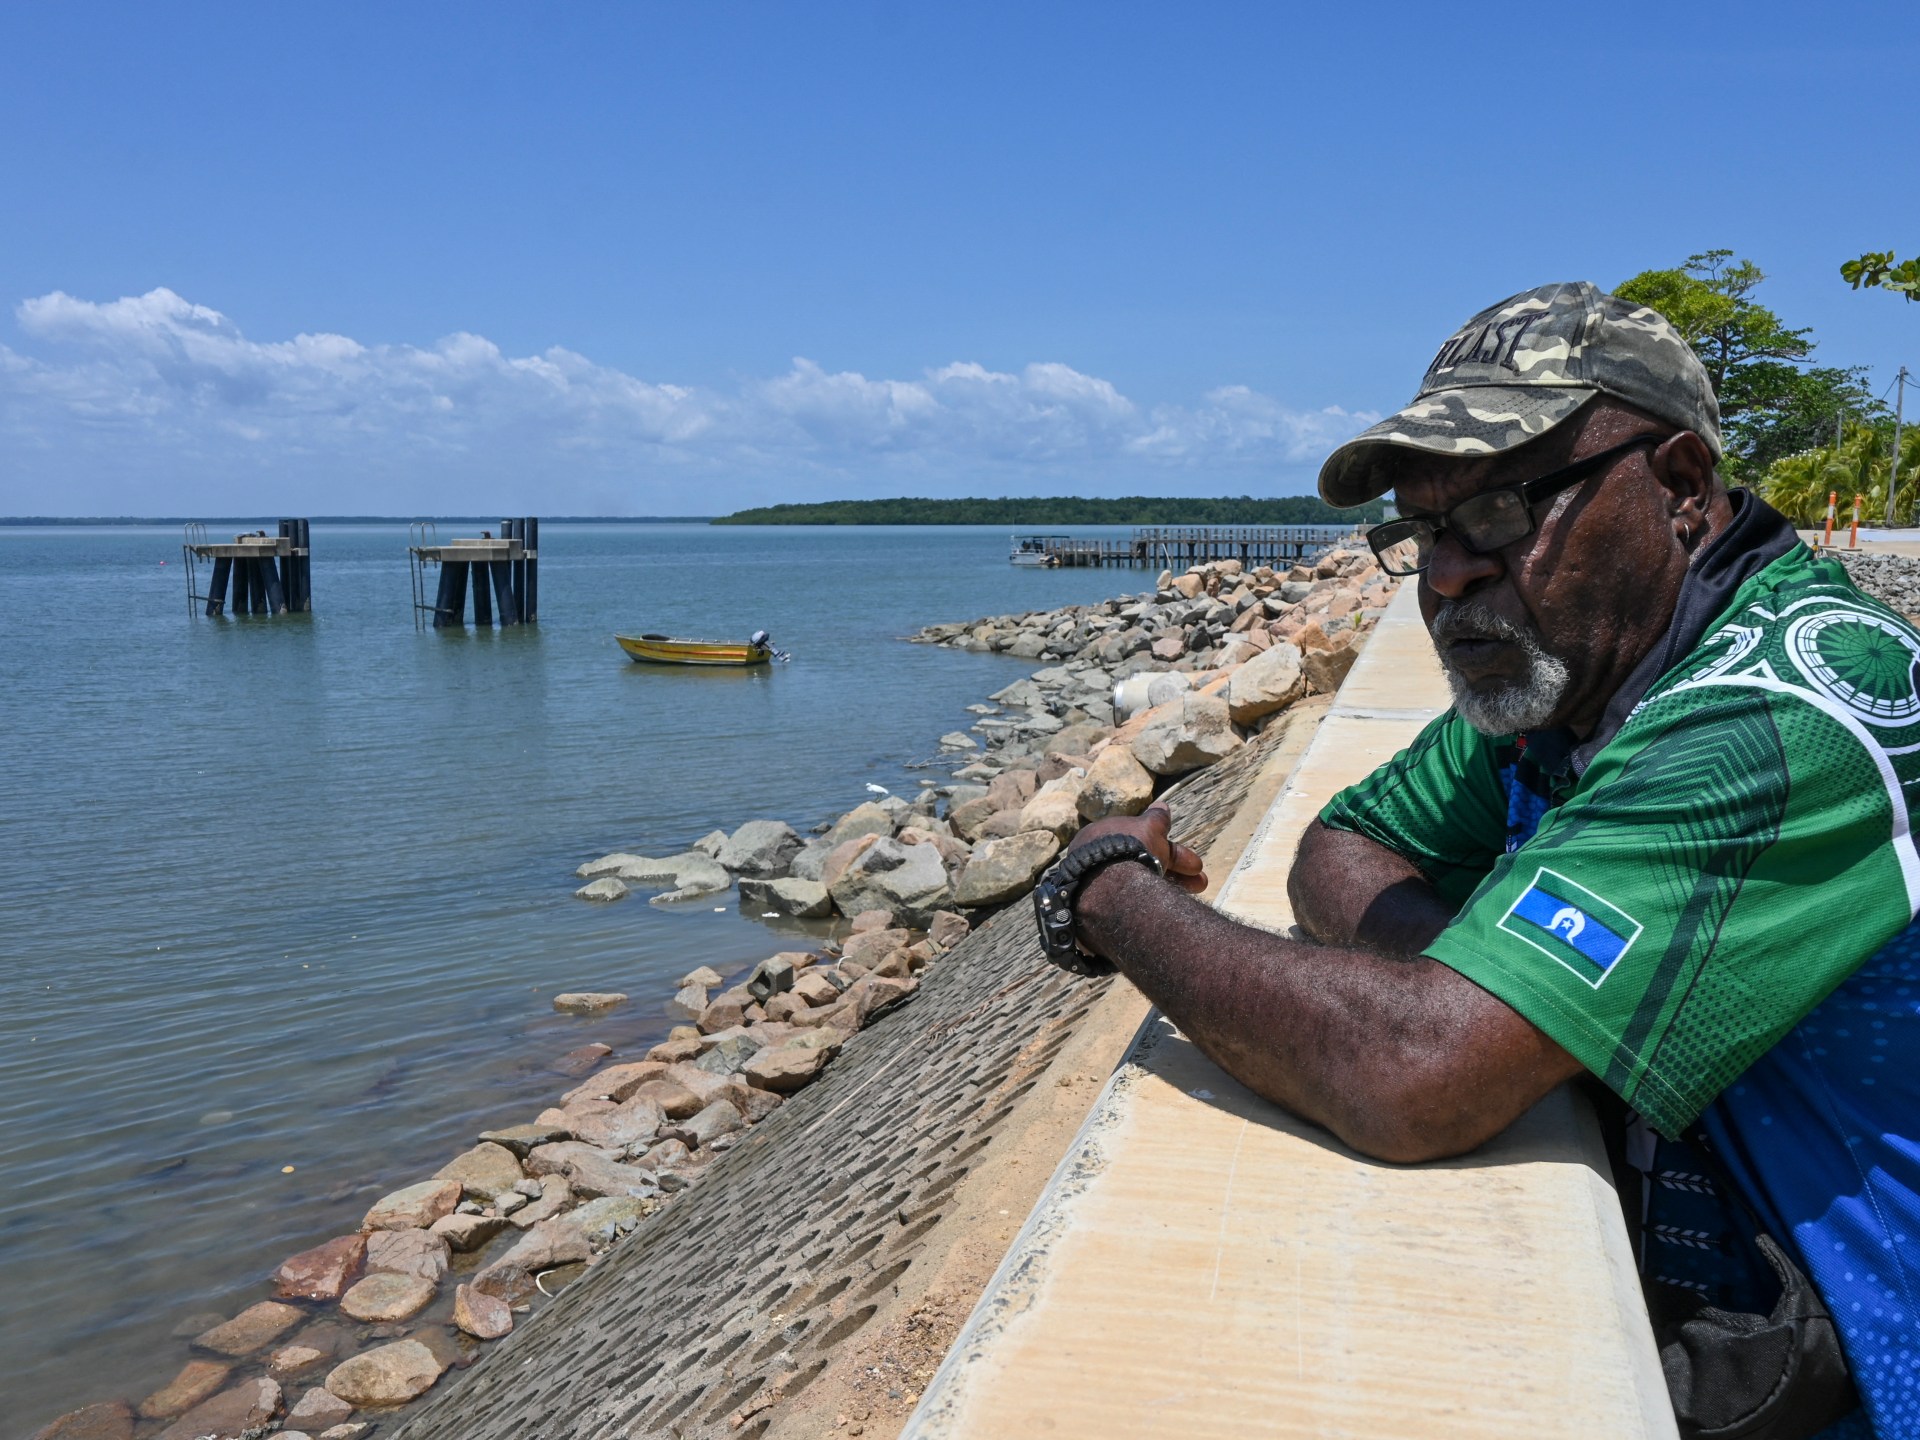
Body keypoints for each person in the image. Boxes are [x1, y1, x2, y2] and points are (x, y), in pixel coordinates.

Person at [1041, 282, 1920, 1438]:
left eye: (1501, 512)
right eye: (1423, 532)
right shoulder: (1572, 678)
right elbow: (1341, 847)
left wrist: (1106, 888)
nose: (1448, 574)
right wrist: (1500, 983)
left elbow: (1413, 1075)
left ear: (1680, 487)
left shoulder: (1776, 720)